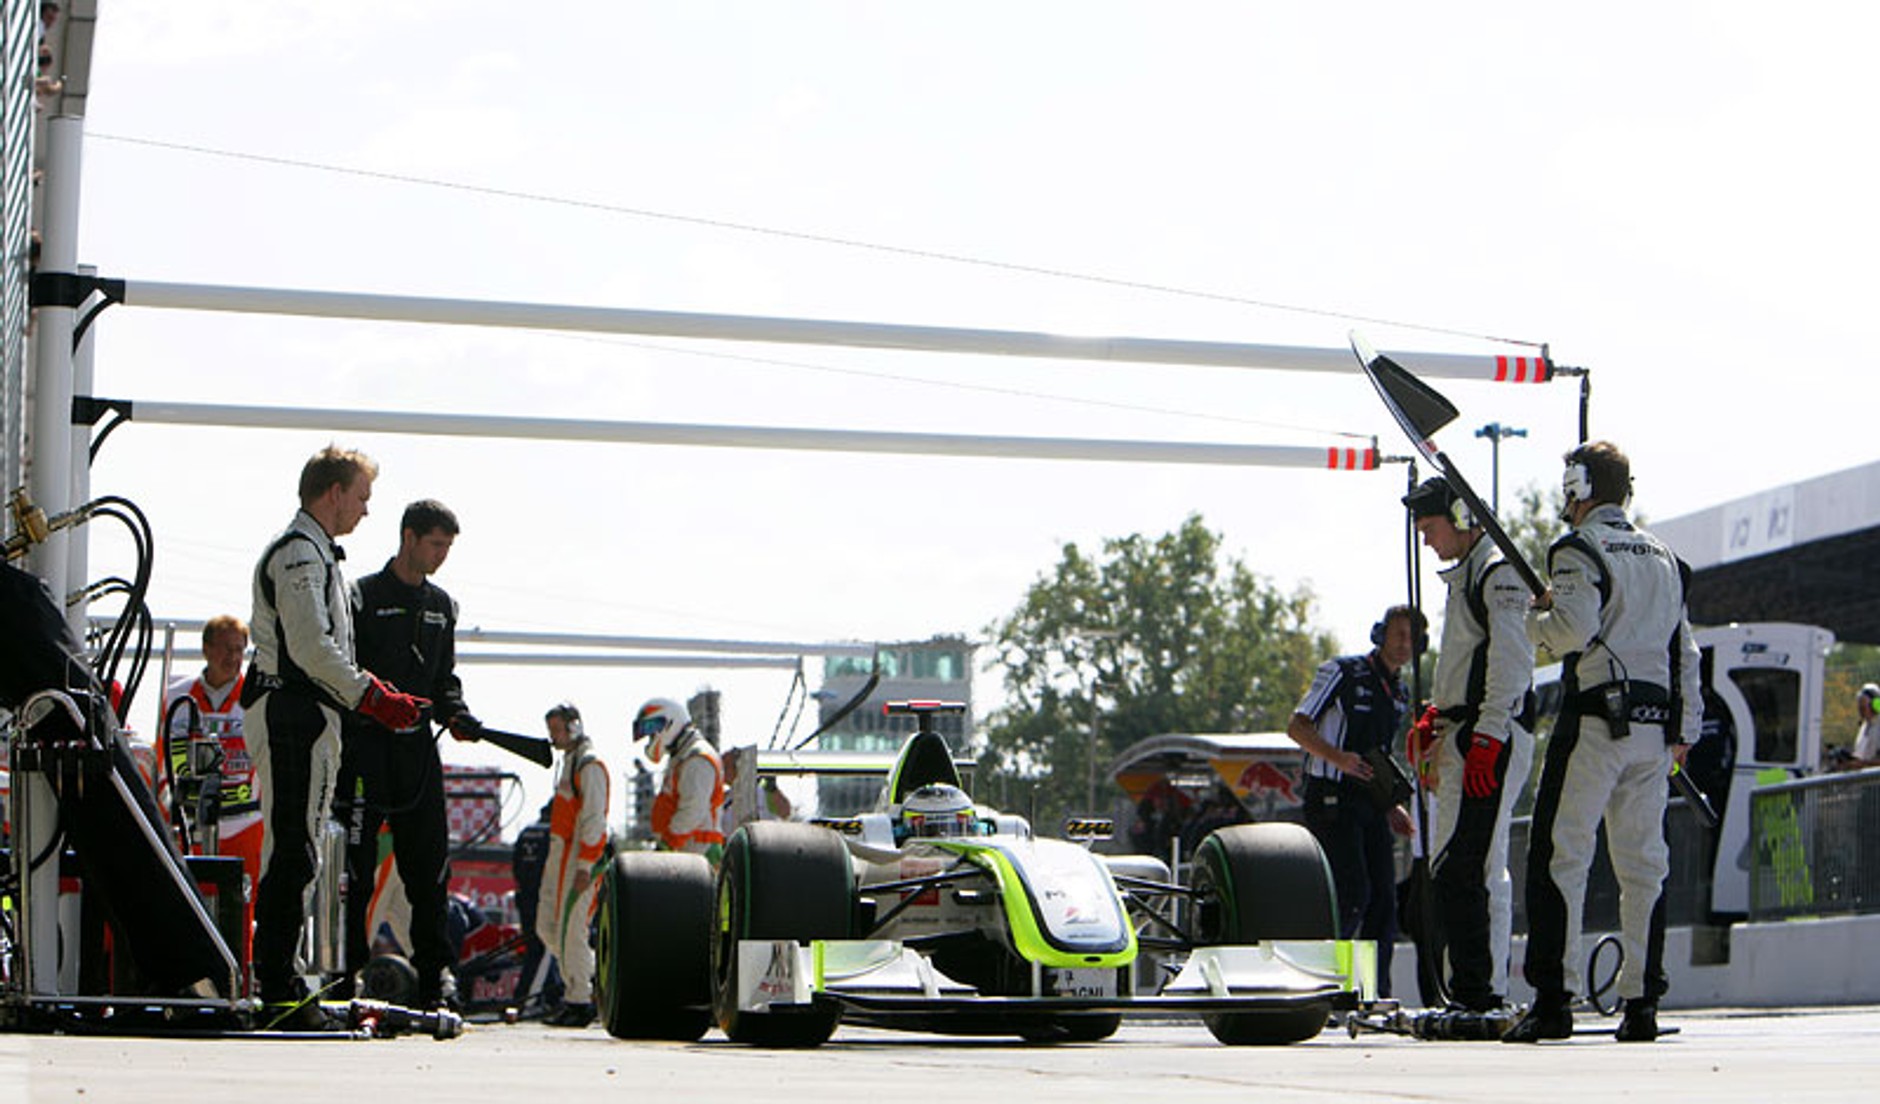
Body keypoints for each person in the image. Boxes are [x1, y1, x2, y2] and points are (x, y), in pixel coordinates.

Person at [1506, 441, 1701, 1044]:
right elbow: (1684, 653)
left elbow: (1571, 632)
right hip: (1655, 732)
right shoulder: (1666, 557)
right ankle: (1642, 1003)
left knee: (1560, 856)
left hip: (1595, 724)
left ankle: (1553, 1000)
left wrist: (1537, 617)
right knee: (1646, 868)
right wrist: (1684, 732)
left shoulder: (1577, 548)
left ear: (1578, 487)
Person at [246, 446, 426, 1024]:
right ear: (333, 493)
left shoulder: (316, 554)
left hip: (309, 715)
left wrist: (369, 695)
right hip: (293, 714)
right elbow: (311, 648)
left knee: (299, 852)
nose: (365, 512)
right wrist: (373, 696)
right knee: (294, 851)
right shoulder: (300, 554)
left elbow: (320, 650)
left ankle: (282, 980)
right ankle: (278, 987)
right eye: (362, 498)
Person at [1404, 476, 1537, 1015]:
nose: (1428, 541)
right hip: (1469, 731)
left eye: (1431, 528)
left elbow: (1511, 660)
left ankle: (1481, 992)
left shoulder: (1495, 569)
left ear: (1460, 516)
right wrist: (1438, 713)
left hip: (1489, 735)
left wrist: (1487, 735)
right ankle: (1473, 990)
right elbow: (1472, 660)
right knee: (1461, 865)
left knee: (1471, 866)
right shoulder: (1471, 571)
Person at [339, 499, 480, 1010]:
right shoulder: (361, 596)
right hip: (366, 752)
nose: (442, 555)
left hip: (418, 755)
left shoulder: (443, 605)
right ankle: (345, 972)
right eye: (436, 544)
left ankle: (434, 977)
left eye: (447, 546)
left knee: (429, 872)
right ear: (408, 537)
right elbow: (344, 672)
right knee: (353, 871)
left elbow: (445, 681)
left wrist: (458, 713)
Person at [1285, 605, 1422, 999]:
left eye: (1411, 638)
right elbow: (1297, 726)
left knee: (1384, 898)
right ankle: (1326, 987)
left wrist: (1391, 805)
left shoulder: (1400, 692)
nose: (1403, 645)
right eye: (1397, 635)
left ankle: (1373, 991)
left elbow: (1378, 755)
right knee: (1352, 892)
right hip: (1330, 797)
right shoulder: (1342, 672)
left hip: (1369, 804)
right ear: (1379, 634)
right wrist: (1336, 757)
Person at [160, 615, 265, 895]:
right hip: (189, 823)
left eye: (239, 649)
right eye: (225, 648)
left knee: (242, 909)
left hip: (244, 823)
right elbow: (162, 759)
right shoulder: (175, 696)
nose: (233, 657)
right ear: (206, 648)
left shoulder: (258, 698)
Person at [537, 701, 609, 1028]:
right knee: (548, 927)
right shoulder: (570, 762)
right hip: (561, 855)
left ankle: (579, 998)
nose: (553, 737)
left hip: (579, 858)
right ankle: (582, 980)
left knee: (571, 929)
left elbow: (595, 819)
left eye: (557, 730)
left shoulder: (589, 765)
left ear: (574, 728)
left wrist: (585, 864)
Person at [632, 697, 726, 862]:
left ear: (668, 722)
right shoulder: (682, 756)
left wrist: (667, 845)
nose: (650, 736)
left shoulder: (697, 758)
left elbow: (692, 810)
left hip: (698, 853)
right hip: (685, 851)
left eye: (652, 728)